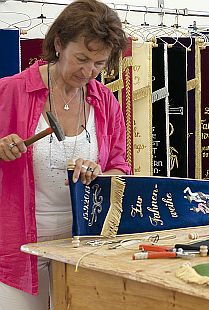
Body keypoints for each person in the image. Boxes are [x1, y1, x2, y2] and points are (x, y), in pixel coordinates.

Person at [0, 0, 131, 308]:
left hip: (82, 246)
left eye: (99, 64)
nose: (88, 72)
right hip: (18, 248)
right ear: (59, 44)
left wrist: (99, 173)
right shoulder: (10, 92)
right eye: (81, 59)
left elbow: (120, 169)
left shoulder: (106, 103)